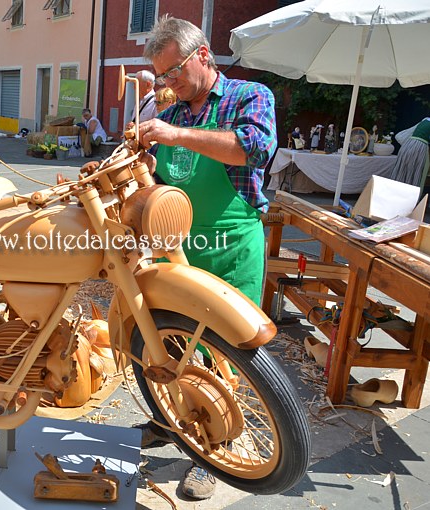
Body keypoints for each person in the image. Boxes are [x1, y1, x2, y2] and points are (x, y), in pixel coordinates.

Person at [135, 15, 278, 501]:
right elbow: (158, 173)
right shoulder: (171, 112)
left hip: (230, 240)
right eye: (161, 78)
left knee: (226, 350)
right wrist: (143, 162)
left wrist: (173, 138)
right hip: (176, 241)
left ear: (202, 55)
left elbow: (252, 148)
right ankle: (174, 419)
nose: (167, 85)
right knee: (171, 340)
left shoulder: (250, 96)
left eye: (173, 73)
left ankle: (218, 448)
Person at [390, 117, 430, 187]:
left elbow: (401, 136)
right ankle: (409, 195)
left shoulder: (425, 120)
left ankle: (395, 191)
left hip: (407, 145)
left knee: (401, 172)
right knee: (414, 174)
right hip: (420, 149)